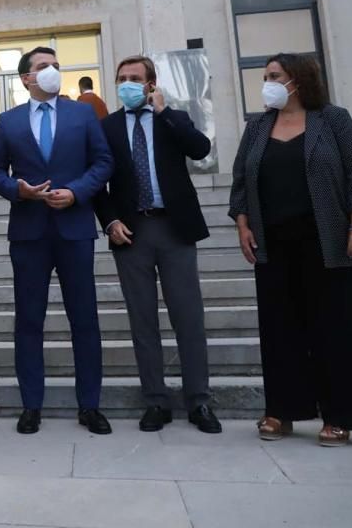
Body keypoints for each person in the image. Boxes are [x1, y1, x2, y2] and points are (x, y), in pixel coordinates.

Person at [229, 53, 352, 447]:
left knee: (336, 329)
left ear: (297, 79)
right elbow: (242, 180)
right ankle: (282, 410)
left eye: (274, 75)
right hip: (274, 245)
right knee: (280, 330)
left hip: (328, 242)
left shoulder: (334, 120)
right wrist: (242, 222)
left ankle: (341, 415)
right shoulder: (258, 126)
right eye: (265, 76)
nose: (268, 82)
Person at [0, 47, 114, 435]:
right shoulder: (8, 122)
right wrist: (18, 190)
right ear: (25, 78)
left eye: (56, 65)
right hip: (29, 232)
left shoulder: (83, 114)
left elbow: (103, 161)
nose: (52, 71)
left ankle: (89, 405)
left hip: (74, 228)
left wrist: (77, 192)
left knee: (85, 319)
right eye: (43, 67)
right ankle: (31, 405)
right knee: (28, 320)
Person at [92, 56, 220, 433]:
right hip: (132, 232)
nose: (127, 84)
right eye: (121, 79)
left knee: (188, 319)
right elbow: (98, 181)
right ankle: (156, 402)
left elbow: (199, 150)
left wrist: (164, 113)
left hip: (175, 229)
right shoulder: (107, 127)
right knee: (142, 321)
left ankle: (198, 402)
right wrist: (110, 221)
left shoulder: (172, 118)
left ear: (151, 83)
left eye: (134, 78)